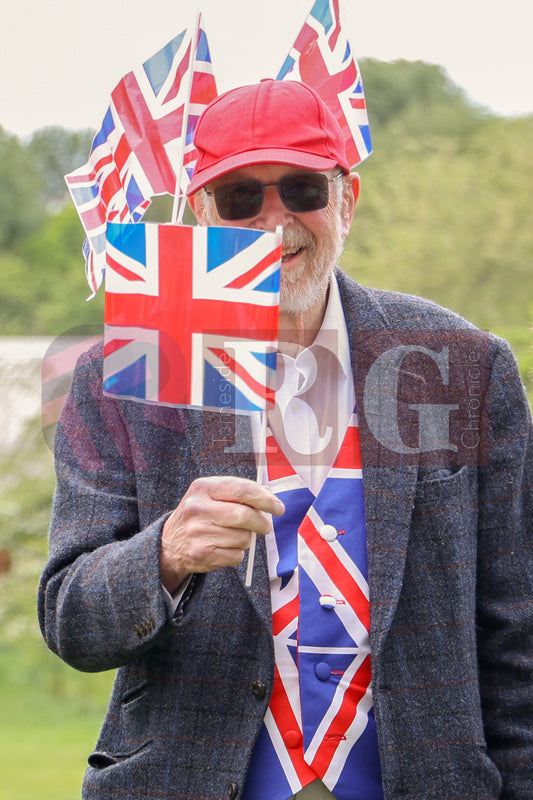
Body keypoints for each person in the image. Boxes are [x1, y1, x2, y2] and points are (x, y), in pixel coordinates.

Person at [38, 79, 533, 800]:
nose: (275, 221)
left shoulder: (458, 365)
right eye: (241, 197)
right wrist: (166, 554)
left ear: (346, 201)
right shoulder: (127, 374)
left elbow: (516, 632)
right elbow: (71, 618)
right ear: (202, 214)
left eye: (301, 189)